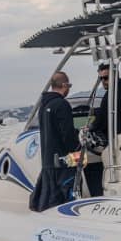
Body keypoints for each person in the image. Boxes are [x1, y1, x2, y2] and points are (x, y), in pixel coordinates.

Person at [80, 62, 121, 197]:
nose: (103, 82)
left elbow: (100, 122)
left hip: (117, 145)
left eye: (106, 78)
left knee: (94, 165)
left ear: (115, 76)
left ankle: (100, 195)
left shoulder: (110, 96)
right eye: (101, 79)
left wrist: (89, 128)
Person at [29, 72, 80, 212]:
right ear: (64, 85)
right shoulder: (62, 104)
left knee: (51, 202)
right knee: (66, 200)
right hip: (63, 164)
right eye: (69, 85)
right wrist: (78, 148)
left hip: (48, 163)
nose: (69, 88)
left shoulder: (44, 106)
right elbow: (68, 134)